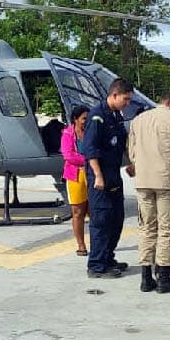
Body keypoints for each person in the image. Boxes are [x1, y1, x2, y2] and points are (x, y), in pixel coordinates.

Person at [127, 93, 170, 293]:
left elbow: (131, 152)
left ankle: (146, 277)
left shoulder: (138, 120)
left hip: (143, 181)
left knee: (147, 227)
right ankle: (163, 277)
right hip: (166, 180)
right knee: (166, 228)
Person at [82, 78, 134, 279]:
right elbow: (90, 150)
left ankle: (107, 257)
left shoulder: (115, 116)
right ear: (114, 95)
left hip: (114, 175)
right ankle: (96, 265)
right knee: (101, 221)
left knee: (116, 219)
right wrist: (97, 175)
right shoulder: (97, 117)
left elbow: (121, 143)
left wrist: (130, 162)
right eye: (125, 99)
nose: (127, 103)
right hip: (100, 178)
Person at [61, 105, 91, 257]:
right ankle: (81, 244)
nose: (87, 121)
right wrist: (88, 160)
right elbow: (68, 155)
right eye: (84, 118)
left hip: (91, 174)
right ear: (76, 119)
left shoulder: (92, 131)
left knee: (94, 210)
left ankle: (98, 243)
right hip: (75, 175)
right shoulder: (68, 134)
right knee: (78, 211)